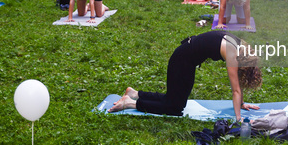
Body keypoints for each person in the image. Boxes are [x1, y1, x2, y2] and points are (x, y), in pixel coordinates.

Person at [108, 30, 262, 122]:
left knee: (174, 100)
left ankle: (134, 94)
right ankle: (130, 103)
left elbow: (237, 82)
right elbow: (235, 89)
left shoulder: (242, 45)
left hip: (187, 59)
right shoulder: (233, 55)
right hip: (181, 60)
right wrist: (238, 118)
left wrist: (241, 104)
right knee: (175, 108)